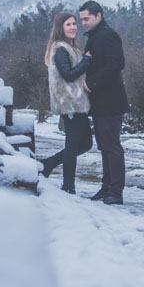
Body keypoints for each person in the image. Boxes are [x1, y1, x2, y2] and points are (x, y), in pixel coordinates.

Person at [79, 0, 129, 205]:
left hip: (111, 101)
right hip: (99, 102)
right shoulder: (95, 36)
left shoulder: (108, 35)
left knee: (112, 146)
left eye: (87, 19)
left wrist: (92, 82)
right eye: (82, 19)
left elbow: (117, 63)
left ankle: (116, 192)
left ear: (98, 16)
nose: (83, 23)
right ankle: (107, 188)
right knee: (104, 146)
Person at [38, 12, 94, 194]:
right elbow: (68, 75)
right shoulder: (60, 49)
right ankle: (68, 186)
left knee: (85, 144)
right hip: (70, 103)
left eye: (74, 24)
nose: (73, 27)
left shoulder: (70, 48)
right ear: (60, 28)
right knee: (73, 146)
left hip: (78, 102)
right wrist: (87, 60)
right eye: (68, 24)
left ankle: (48, 164)